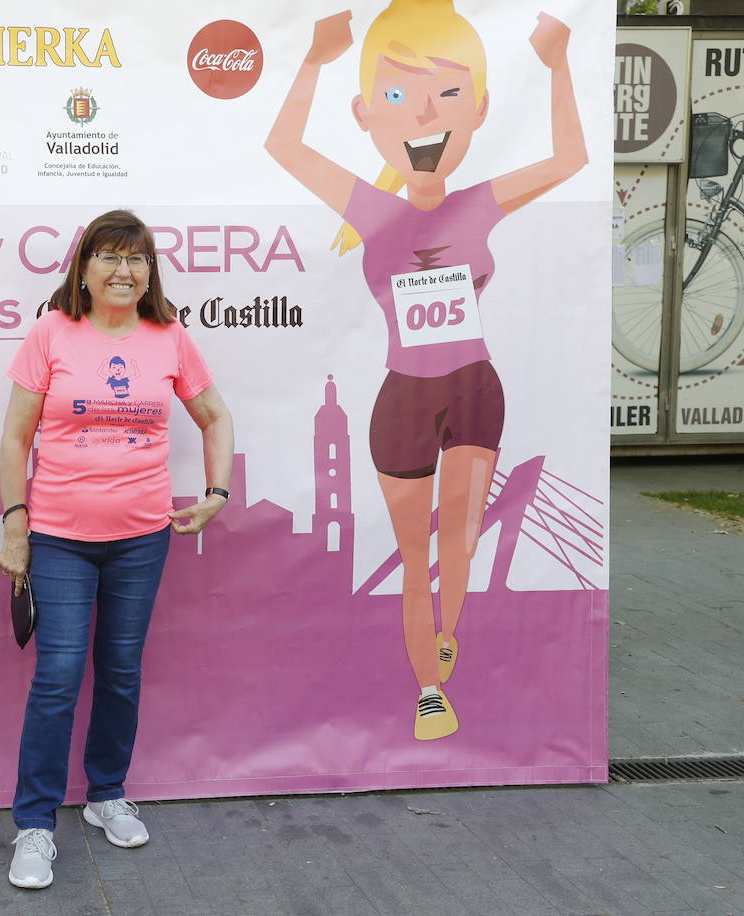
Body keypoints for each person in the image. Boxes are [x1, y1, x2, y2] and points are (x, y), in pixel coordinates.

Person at [264, 1, 586, 740]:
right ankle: (431, 688)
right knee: (418, 557)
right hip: (405, 400)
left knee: (461, 541)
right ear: (367, 112)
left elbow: (570, 161)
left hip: (475, 391)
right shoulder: (370, 210)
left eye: (445, 94)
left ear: (477, 109)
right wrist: (313, 57)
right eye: (399, 97)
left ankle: (446, 629)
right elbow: (284, 144)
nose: (422, 117)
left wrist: (560, 63)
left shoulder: (480, 202)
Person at [0, 209, 233, 889]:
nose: (124, 270)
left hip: (142, 537)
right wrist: (16, 523)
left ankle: (105, 796)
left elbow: (214, 415)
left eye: (137, 259)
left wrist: (217, 491)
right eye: (109, 256)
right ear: (84, 267)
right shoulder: (52, 331)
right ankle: (35, 826)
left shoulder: (169, 336)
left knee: (122, 669)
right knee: (59, 675)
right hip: (60, 537)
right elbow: (15, 437)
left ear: (149, 271)